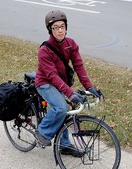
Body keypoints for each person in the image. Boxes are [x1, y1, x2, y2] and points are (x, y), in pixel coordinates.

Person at [34, 10, 100, 157]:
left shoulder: (71, 44)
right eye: (55, 27)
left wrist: (89, 87)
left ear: (66, 27)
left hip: (61, 83)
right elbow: (52, 76)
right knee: (61, 107)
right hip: (45, 83)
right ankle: (42, 132)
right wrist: (70, 93)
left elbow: (79, 66)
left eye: (62, 26)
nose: (60, 30)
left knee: (68, 110)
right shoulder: (44, 50)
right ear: (50, 30)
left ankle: (64, 145)